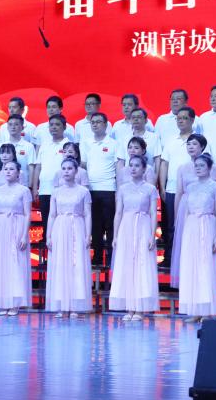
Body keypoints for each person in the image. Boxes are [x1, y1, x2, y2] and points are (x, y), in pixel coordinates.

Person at [177, 154, 216, 323]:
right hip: (192, 227)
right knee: (193, 267)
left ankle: (209, 310)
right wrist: (185, 232)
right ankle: (196, 310)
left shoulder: (215, 187)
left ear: (209, 168)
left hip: (208, 225)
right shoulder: (190, 187)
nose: (198, 168)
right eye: (196, 166)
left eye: (201, 165)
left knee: (207, 267)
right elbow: (187, 212)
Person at [109, 155, 161, 320]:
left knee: (142, 264)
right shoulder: (123, 188)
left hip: (143, 225)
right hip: (126, 226)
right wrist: (115, 235)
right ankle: (129, 308)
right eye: (131, 165)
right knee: (127, 264)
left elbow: (153, 213)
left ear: (144, 169)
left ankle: (140, 308)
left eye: (137, 165)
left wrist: (152, 235)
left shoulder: (150, 189)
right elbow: (118, 212)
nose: (133, 168)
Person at [45, 157, 93, 318]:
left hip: (77, 227)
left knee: (76, 264)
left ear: (76, 171)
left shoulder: (83, 191)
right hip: (60, 228)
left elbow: (87, 214)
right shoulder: (56, 192)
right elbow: (52, 214)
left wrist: (88, 234)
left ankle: (75, 306)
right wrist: (48, 235)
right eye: (64, 168)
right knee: (61, 264)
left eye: (70, 168)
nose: (66, 171)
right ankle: (62, 305)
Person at [0, 160, 33, 315]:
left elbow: (27, 214)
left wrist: (24, 235)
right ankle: (4, 302)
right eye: (6, 169)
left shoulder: (24, 191)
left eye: (11, 169)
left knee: (15, 263)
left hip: (17, 226)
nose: (8, 171)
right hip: (0, 228)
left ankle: (15, 303)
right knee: (2, 264)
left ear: (18, 173)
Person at [172, 133, 214, 287]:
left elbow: (213, 190)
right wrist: (177, 215)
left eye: (194, 144)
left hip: (203, 209)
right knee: (186, 243)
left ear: (202, 147)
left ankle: (202, 279)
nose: (190, 147)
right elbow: (179, 193)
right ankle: (187, 279)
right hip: (186, 208)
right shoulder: (182, 168)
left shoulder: (210, 166)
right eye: (188, 144)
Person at [158, 106, 198, 267]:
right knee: (171, 226)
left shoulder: (198, 140)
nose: (181, 121)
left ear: (192, 120)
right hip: (172, 189)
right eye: (178, 118)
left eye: (184, 118)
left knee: (190, 226)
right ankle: (170, 258)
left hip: (192, 192)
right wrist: (162, 186)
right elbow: (164, 164)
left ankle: (189, 259)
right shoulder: (171, 141)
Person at [81, 111, 119, 266]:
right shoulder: (86, 143)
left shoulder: (114, 144)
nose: (95, 124)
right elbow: (83, 165)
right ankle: (97, 257)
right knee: (95, 226)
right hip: (91, 189)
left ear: (106, 125)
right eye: (93, 122)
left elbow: (118, 167)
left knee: (110, 225)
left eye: (98, 122)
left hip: (109, 188)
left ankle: (111, 257)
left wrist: (119, 189)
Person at [31, 114, 69, 227]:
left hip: (63, 190)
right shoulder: (44, 145)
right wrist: (35, 188)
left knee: (61, 222)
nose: (54, 127)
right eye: (51, 125)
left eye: (57, 124)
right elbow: (38, 167)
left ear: (64, 127)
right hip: (44, 190)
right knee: (46, 222)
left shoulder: (68, 145)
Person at [116, 108, 161, 178]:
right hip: (128, 179)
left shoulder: (154, 137)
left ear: (146, 120)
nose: (136, 119)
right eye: (133, 117)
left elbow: (157, 160)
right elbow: (121, 161)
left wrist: (156, 178)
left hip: (147, 178)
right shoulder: (124, 138)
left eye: (139, 117)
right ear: (130, 120)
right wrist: (120, 179)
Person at [0, 114, 36, 186]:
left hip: (22, 185)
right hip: (3, 185)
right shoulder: (1, 146)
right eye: (10, 124)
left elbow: (31, 168)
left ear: (22, 127)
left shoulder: (29, 146)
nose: (13, 127)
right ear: (7, 127)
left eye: (16, 124)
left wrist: (30, 186)